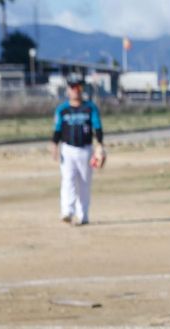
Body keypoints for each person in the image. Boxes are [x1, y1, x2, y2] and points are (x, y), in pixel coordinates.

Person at [51, 72, 104, 226]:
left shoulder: (90, 108)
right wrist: (54, 145)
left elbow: (98, 128)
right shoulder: (62, 109)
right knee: (68, 180)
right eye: (73, 87)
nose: (76, 90)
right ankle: (67, 211)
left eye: (79, 87)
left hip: (85, 150)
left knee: (84, 183)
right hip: (67, 150)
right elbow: (57, 130)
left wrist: (99, 146)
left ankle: (83, 215)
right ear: (68, 90)